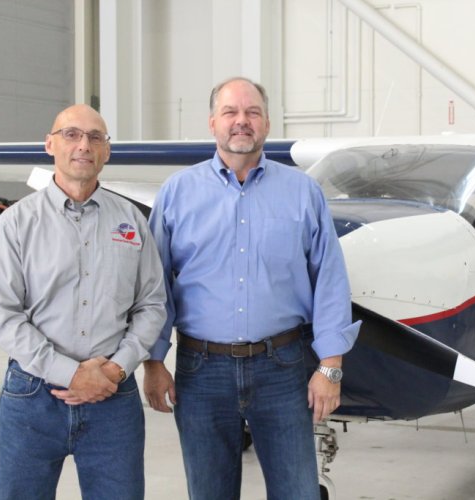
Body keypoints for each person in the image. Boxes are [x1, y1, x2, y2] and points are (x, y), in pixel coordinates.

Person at [143, 77, 361, 499]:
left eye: (252, 112)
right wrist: (153, 361)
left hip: (283, 368)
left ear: (266, 124)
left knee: (297, 491)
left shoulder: (302, 192)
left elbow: (330, 281)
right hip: (201, 371)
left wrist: (330, 367)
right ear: (212, 123)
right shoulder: (177, 194)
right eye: (230, 112)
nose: (241, 121)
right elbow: (155, 288)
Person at [0, 104, 167, 500]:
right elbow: (6, 316)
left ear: (107, 151)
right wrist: (71, 373)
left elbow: (152, 305)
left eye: (95, 137)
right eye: (71, 134)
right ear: (50, 144)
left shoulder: (133, 222)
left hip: (113, 399)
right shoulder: (16, 223)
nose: (83, 145)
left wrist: (117, 369)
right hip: (32, 398)